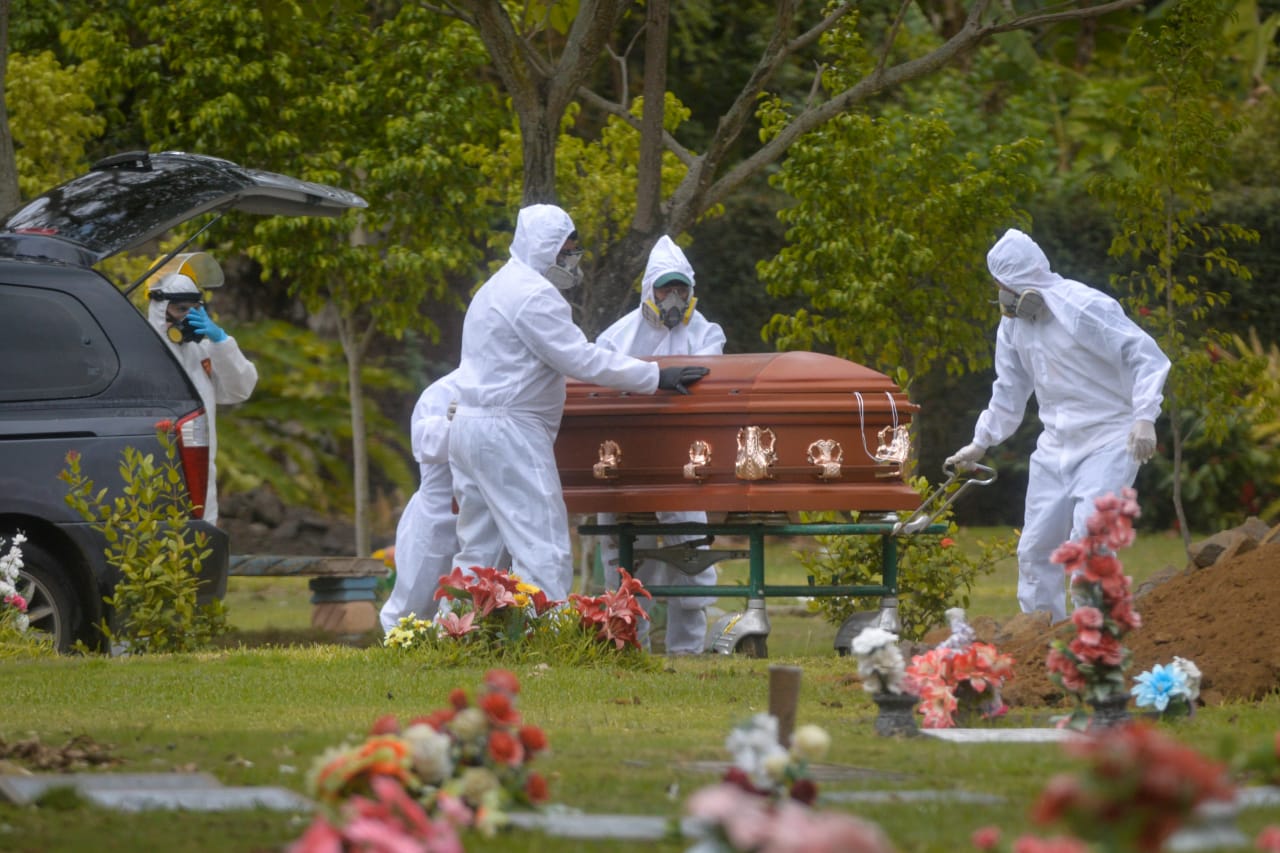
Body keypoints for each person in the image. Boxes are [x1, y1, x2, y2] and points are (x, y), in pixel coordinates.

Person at [448, 204, 709, 604]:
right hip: (509, 432)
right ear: (547, 247)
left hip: (470, 428)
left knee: (479, 549)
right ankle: (544, 640)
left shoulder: (495, 287)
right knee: (543, 546)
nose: (572, 257)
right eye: (568, 248)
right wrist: (656, 377)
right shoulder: (533, 295)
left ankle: (452, 634)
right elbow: (580, 359)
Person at [946, 228, 1170, 623]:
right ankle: (1039, 636)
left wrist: (1144, 417)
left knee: (1091, 542)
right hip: (1054, 446)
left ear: (1020, 281)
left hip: (1108, 440)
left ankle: (1093, 638)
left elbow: (1146, 357)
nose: (1000, 293)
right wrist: (981, 442)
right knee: (1035, 548)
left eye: (1002, 285)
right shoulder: (1014, 325)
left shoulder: (1084, 307)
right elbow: (1009, 391)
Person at [595, 235, 726, 654]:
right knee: (622, 556)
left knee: (690, 552)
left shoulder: (706, 333)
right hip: (624, 460)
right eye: (665, 289)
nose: (672, 298)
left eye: (680, 289)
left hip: (686, 463)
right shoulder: (614, 338)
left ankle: (686, 653)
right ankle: (626, 648)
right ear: (649, 290)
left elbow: (709, 384)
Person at [380, 369, 497, 633]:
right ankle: (398, 644)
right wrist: (466, 422)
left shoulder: (513, 387)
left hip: (488, 514)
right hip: (438, 517)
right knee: (414, 602)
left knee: (473, 597)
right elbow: (425, 447)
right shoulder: (441, 391)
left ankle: (457, 640)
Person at [147, 260, 258, 524]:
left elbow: (239, 390)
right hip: (154, 471)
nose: (187, 317)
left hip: (200, 474)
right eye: (180, 308)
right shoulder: (143, 352)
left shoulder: (202, 352)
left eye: (195, 309)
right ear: (161, 308)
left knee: (199, 549)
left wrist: (221, 342)